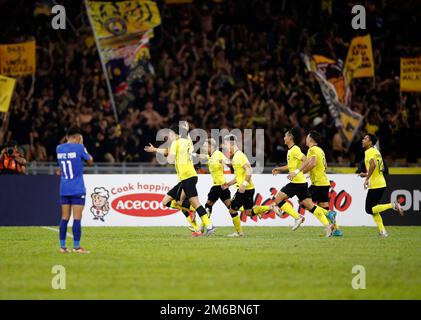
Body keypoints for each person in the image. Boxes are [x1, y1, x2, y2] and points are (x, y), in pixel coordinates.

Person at [272, 127, 334, 236]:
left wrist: (296, 172)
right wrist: (279, 169)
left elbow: (306, 160)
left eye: (285, 136)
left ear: (290, 138)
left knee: (278, 199)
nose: (284, 138)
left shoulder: (295, 149)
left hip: (297, 182)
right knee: (310, 205)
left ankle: (298, 217)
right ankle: (328, 224)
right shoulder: (291, 150)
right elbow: (290, 166)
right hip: (301, 182)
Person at [144, 121, 202, 236]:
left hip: (186, 177)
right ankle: (194, 220)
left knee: (181, 202)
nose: (169, 136)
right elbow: (167, 152)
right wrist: (155, 149)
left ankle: (196, 220)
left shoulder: (182, 143)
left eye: (170, 133)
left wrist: (186, 130)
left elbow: (172, 155)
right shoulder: (176, 144)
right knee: (166, 202)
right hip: (182, 179)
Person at [222, 134, 277, 237]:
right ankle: (270, 207)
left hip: (245, 189)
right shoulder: (237, 156)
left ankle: (238, 232)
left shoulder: (239, 156)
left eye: (226, 144)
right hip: (248, 188)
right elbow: (239, 176)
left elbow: (249, 169)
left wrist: (243, 184)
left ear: (231, 143)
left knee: (232, 209)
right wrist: (229, 184)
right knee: (248, 212)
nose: (225, 147)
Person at [56, 127, 93, 253]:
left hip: (64, 188)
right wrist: (82, 146)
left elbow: (61, 166)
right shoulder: (79, 147)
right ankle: (76, 247)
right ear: (78, 138)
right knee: (77, 218)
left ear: (67, 137)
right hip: (77, 188)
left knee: (64, 217)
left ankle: (62, 247)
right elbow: (90, 161)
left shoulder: (59, 148)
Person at [359, 134, 404, 237]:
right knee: (374, 209)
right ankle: (383, 232)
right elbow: (381, 169)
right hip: (381, 182)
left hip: (376, 185)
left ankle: (393, 205)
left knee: (369, 209)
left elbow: (373, 165)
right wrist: (366, 174)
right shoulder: (377, 152)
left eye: (365, 139)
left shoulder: (369, 151)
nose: (363, 140)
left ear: (370, 142)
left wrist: (367, 179)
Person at [300, 130, 343, 236]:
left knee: (303, 202)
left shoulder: (312, 149)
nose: (306, 138)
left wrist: (300, 172)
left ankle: (329, 214)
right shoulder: (320, 150)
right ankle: (336, 230)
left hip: (318, 184)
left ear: (310, 139)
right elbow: (325, 166)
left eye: (307, 136)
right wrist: (311, 173)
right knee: (323, 207)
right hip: (324, 182)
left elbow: (313, 163)